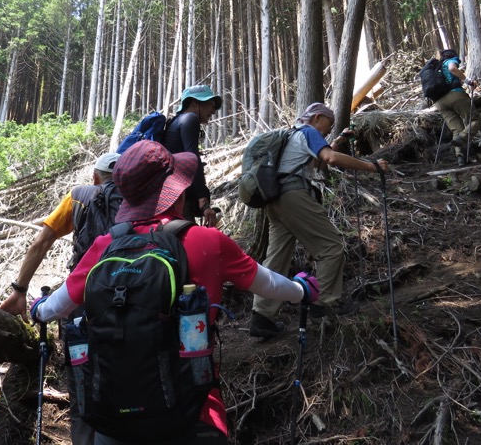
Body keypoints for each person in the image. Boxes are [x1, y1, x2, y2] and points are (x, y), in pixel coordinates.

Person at [29, 140, 319, 445]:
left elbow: (57, 307)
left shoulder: (105, 246)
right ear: (178, 192)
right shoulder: (208, 241)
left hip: (114, 420)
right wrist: (301, 290)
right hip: (193, 414)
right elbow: (269, 285)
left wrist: (38, 308)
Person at [0, 150, 121, 445]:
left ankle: (83, 436)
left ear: (95, 177)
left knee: (80, 373)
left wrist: (19, 289)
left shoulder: (79, 196)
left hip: (79, 295)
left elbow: (41, 242)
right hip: (131, 294)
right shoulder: (140, 198)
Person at [249, 102, 389, 336]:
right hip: (294, 196)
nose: (328, 129)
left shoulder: (291, 136)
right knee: (331, 246)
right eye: (329, 124)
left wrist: (338, 142)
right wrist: (372, 167)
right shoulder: (309, 132)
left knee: (276, 258)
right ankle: (325, 304)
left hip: (275, 199)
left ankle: (261, 317)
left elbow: (317, 160)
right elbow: (331, 159)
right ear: (316, 118)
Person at [164, 85, 222, 227]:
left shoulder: (175, 122)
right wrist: (203, 202)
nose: (213, 111)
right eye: (210, 104)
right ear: (195, 102)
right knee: (186, 243)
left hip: (169, 198)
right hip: (179, 198)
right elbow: (192, 160)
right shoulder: (190, 119)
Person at [434, 49, 480, 167]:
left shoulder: (436, 67)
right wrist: (468, 81)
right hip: (456, 95)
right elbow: (452, 69)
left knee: (457, 129)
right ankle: (462, 138)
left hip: (440, 102)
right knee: (474, 120)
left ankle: (461, 159)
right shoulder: (451, 60)